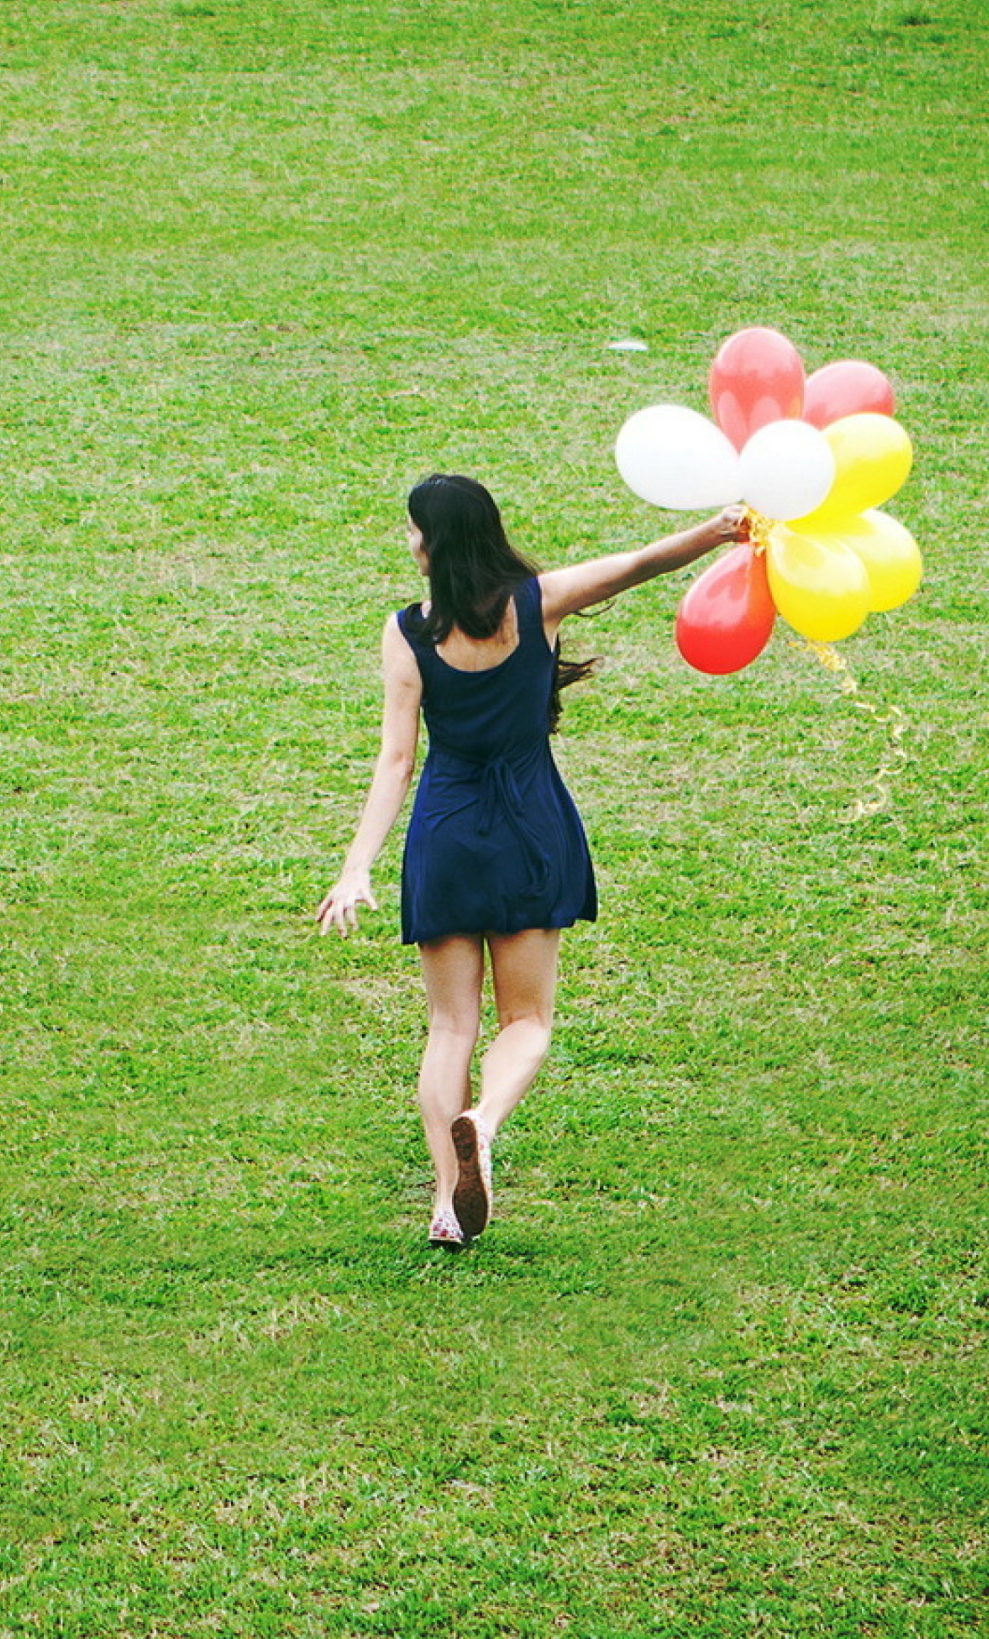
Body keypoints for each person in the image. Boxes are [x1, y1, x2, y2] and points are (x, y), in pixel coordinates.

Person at [316, 474, 748, 1249]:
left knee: (450, 1025)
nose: (409, 542)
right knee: (529, 1020)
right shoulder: (538, 601)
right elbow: (639, 563)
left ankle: (449, 1209)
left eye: (413, 530)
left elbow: (395, 761)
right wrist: (716, 532)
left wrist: (357, 868)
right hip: (530, 829)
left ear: (434, 542)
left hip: (446, 835)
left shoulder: (407, 633)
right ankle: (481, 1122)